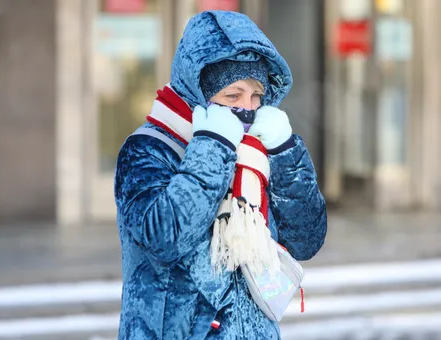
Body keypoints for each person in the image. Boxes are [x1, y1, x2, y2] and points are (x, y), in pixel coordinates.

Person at [114, 10, 327, 340]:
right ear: (199, 93)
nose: (247, 108)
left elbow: (306, 239)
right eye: (232, 95)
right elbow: (164, 237)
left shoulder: (259, 152)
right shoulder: (148, 149)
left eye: (256, 95)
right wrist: (212, 145)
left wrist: (286, 152)